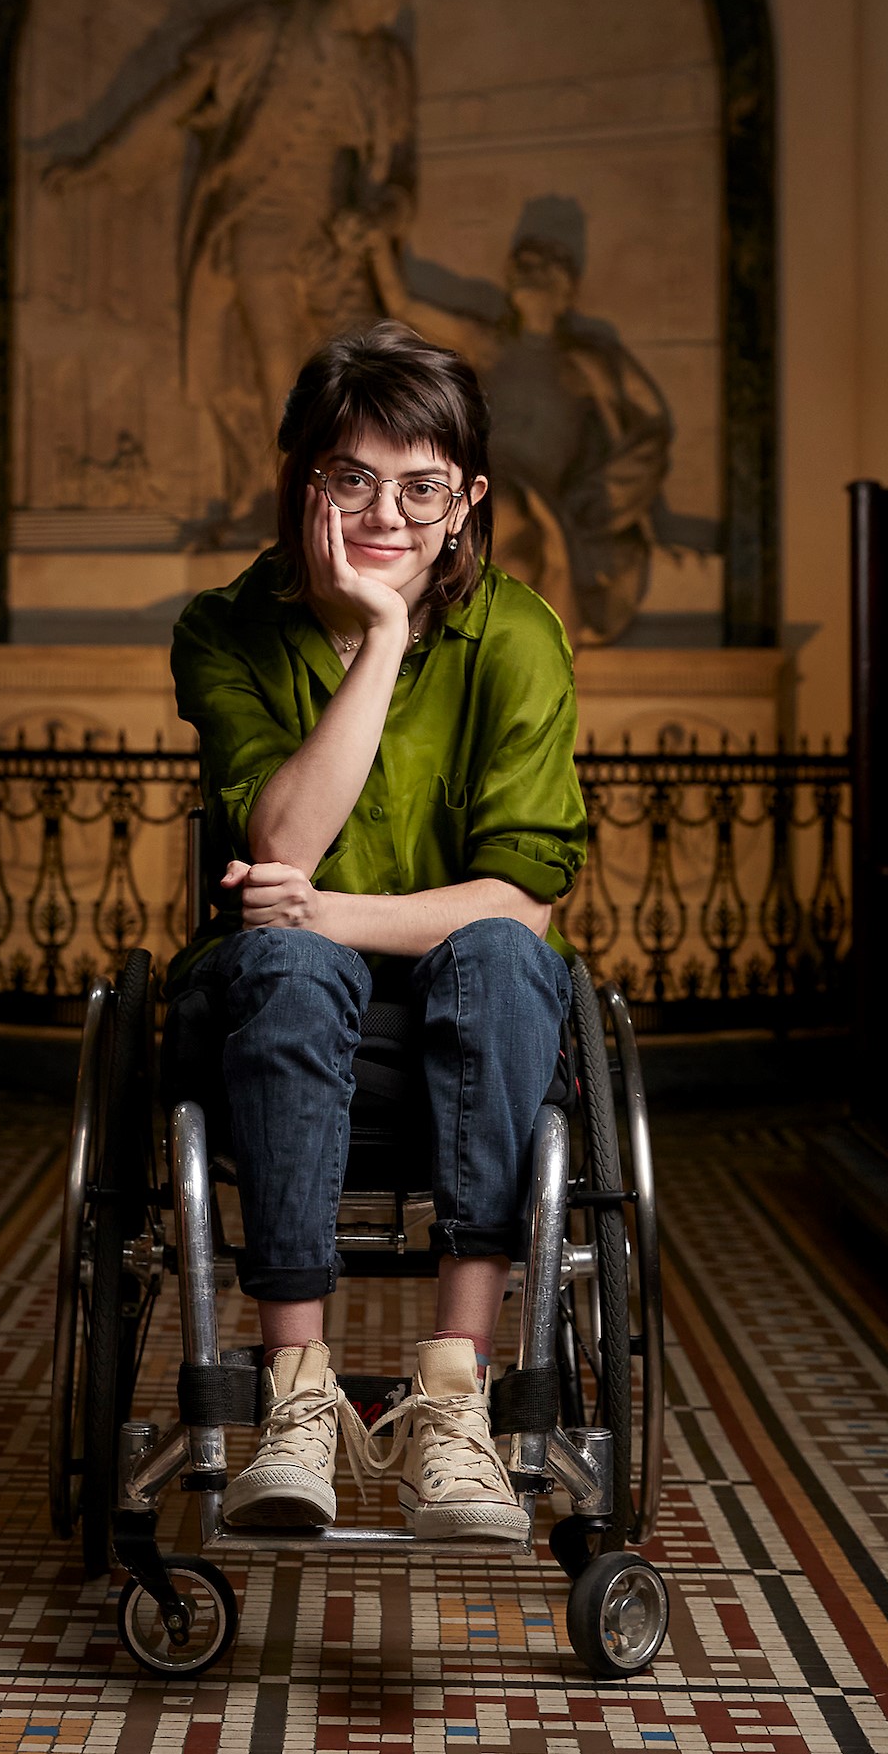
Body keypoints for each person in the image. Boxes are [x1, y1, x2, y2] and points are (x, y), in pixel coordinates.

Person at [168, 321, 588, 1539]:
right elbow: (283, 840)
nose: (387, 515)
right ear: (305, 481)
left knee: (506, 958)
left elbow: (520, 898)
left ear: (467, 504)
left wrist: (329, 911)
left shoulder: (517, 635)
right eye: (353, 478)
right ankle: (295, 1394)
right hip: (267, 1015)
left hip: (472, 1022)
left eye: (421, 487)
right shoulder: (226, 629)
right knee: (291, 961)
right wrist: (384, 637)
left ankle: (453, 1389)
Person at [46, 0, 417, 528]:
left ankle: (351, 490)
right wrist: (102, 162)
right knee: (278, 365)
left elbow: (399, 175)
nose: (391, 16)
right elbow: (174, 100)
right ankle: (294, 496)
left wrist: (373, 219)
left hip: (333, 242)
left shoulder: (383, 65)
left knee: (365, 367)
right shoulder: (263, 30)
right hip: (255, 222)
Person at [367, 229, 676, 644]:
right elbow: (405, 308)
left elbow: (650, 427)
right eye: (526, 268)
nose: (533, 278)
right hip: (488, 481)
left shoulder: (587, 364)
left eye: (544, 270)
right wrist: (376, 244)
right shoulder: (489, 344)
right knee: (497, 536)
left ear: (566, 289)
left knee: (516, 564)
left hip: (543, 495)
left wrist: (610, 492)